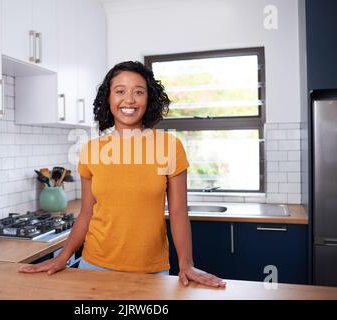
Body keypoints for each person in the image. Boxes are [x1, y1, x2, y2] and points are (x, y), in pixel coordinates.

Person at [19, 61, 226, 288]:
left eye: (139, 92)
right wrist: (63, 256)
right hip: (93, 266)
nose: (129, 100)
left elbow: (178, 212)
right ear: (108, 98)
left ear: (149, 99)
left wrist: (186, 265)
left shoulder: (169, 146)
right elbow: (87, 212)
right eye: (120, 92)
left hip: (151, 270)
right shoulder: (91, 150)